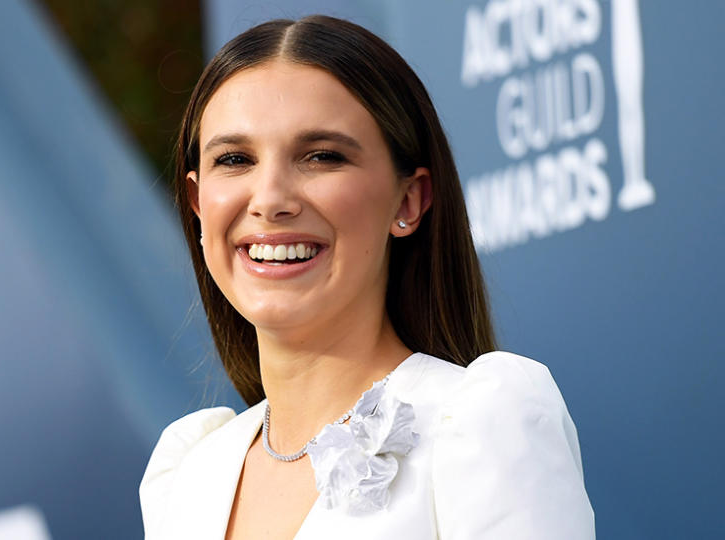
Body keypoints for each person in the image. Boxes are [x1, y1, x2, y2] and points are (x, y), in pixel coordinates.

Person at [140, 15, 594, 539]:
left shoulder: (481, 425)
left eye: (321, 156)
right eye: (236, 159)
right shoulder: (192, 474)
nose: (269, 200)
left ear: (409, 200)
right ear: (198, 204)